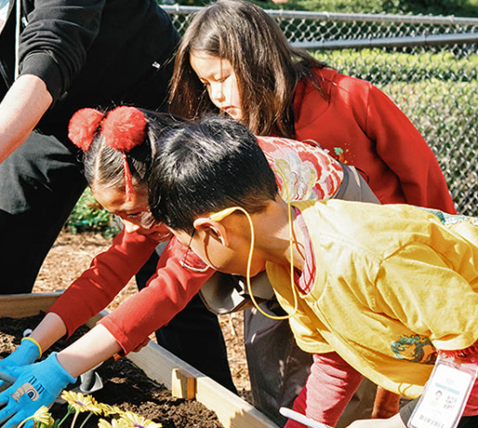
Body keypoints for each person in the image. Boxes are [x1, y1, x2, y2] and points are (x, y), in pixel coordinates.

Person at [0, 106, 377, 428]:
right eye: (115, 215)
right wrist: (32, 347)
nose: (130, 227)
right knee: (274, 380)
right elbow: (106, 274)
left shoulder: (198, 195)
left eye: (134, 211)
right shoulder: (155, 195)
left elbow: (168, 291)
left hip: (336, 220)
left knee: (342, 363)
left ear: (158, 186)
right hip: (269, 246)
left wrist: (59, 368)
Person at [168, 0, 457, 420]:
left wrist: (439, 258)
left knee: (357, 388)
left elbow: (423, 179)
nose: (216, 95)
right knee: (277, 382)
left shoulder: (348, 98)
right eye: (205, 82)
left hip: (373, 278)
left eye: (224, 78)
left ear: (257, 60)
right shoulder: (236, 134)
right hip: (284, 278)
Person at [146, 116, 478, 428]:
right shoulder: (286, 267)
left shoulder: (368, 256)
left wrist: (398, 423)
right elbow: (336, 361)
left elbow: (470, 357)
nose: (194, 256)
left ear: (215, 231)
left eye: (189, 242)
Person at [0, 0, 180, 297]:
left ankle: (181, 344)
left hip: (140, 107)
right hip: (48, 112)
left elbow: (51, 52)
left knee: (170, 267)